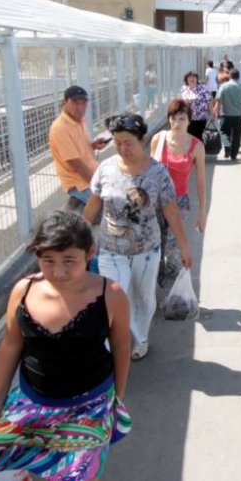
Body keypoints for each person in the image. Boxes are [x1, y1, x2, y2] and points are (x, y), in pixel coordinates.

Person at [0, 210, 132, 479]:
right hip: (31, 402)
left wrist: (117, 398)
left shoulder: (111, 295)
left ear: (90, 252)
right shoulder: (23, 290)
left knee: (76, 475)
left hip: (90, 408)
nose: (58, 271)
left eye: (69, 260)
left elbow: (121, 346)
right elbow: (11, 345)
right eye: (48, 260)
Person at [83, 113, 192, 360]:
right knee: (113, 297)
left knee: (144, 299)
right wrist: (78, 238)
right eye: (117, 143)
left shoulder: (157, 173)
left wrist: (184, 248)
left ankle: (140, 338)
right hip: (111, 250)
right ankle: (109, 348)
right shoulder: (106, 169)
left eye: (128, 143)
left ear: (142, 140)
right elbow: (92, 206)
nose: (123, 148)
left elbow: (171, 211)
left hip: (146, 251)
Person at [150, 99, 207, 287]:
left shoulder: (196, 146)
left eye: (182, 118)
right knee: (154, 243)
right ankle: (153, 283)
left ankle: (172, 290)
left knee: (173, 247)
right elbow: (148, 171)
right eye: (173, 118)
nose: (177, 123)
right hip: (156, 202)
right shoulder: (158, 140)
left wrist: (202, 212)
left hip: (179, 202)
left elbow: (200, 182)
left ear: (189, 120)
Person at [49, 85, 110, 211]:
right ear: (64, 103)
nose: (80, 108)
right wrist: (98, 184)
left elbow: (78, 147)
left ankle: (78, 207)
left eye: (83, 103)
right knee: (112, 207)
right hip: (80, 183)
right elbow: (76, 164)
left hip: (90, 176)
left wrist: (92, 145)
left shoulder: (79, 120)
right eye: (75, 103)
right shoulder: (60, 128)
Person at [212, 68, 241, 161]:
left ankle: (227, 148)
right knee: (237, 136)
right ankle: (234, 155)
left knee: (224, 133)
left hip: (226, 114)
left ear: (230, 76)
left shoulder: (224, 86)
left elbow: (218, 100)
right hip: (239, 115)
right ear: (238, 77)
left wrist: (217, 113)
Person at [178, 71, 210, 142]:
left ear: (197, 79)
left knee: (198, 136)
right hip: (188, 118)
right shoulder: (184, 89)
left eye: (194, 77)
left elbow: (209, 101)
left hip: (201, 118)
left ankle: (199, 148)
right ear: (186, 79)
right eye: (190, 77)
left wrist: (212, 113)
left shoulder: (203, 88)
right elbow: (180, 102)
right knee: (189, 136)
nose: (192, 78)